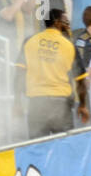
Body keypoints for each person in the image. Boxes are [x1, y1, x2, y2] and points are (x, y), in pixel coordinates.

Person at [22, 9, 86, 138]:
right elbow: (80, 79)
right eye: (66, 21)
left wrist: (17, 102)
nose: (68, 25)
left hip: (36, 104)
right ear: (57, 22)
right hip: (60, 105)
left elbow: (19, 73)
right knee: (63, 148)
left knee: (37, 149)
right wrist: (83, 106)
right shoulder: (68, 45)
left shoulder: (30, 41)